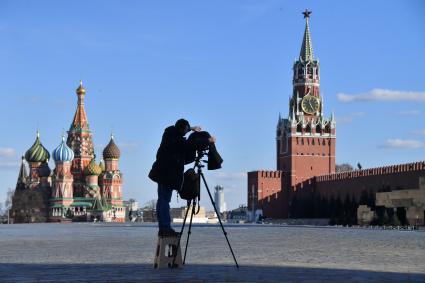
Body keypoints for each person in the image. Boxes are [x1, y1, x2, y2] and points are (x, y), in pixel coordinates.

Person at [149, 119, 215, 237]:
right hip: (166, 174)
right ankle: (165, 228)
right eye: (186, 129)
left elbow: (182, 134)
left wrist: (191, 129)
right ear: (182, 129)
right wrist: (208, 140)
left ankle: (164, 228)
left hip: (162, 173)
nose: (186, 132)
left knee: (162, 200)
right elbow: (189, 144)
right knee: (164, 201)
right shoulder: (176, 139)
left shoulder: (170, 133)